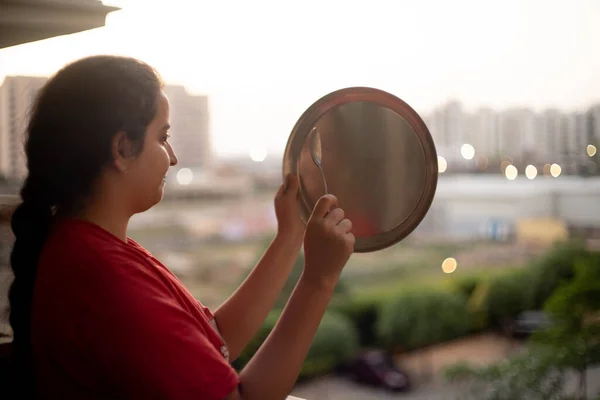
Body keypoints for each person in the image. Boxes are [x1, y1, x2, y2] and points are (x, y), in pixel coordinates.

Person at [7, 55, 355, 400]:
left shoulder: (93, 248)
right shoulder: (104, 279)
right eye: (162, 137)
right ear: (122, 148)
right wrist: (318, 279)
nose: (172, 157)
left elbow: (216, 339)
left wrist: (290, 236)